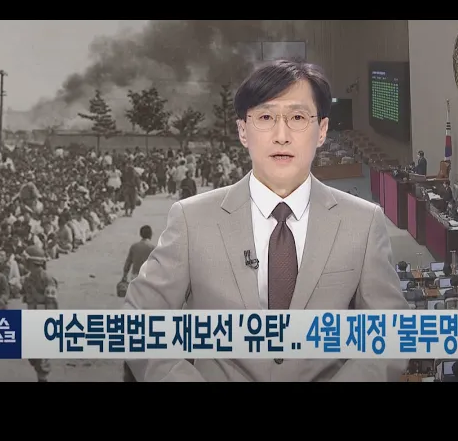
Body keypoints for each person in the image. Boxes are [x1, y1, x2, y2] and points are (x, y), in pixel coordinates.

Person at [124, 59, 409, 382]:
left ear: (322, 131)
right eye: (265, 117)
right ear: (243, 131)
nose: (281, 136)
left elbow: (390, 333)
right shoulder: (192, 219)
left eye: (298, 118)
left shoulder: (363, 222)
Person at [22, 246, 59, 382]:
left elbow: (51, 303)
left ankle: (42, 378)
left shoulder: (48, 279)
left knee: (41, 356)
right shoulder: (28, 279)